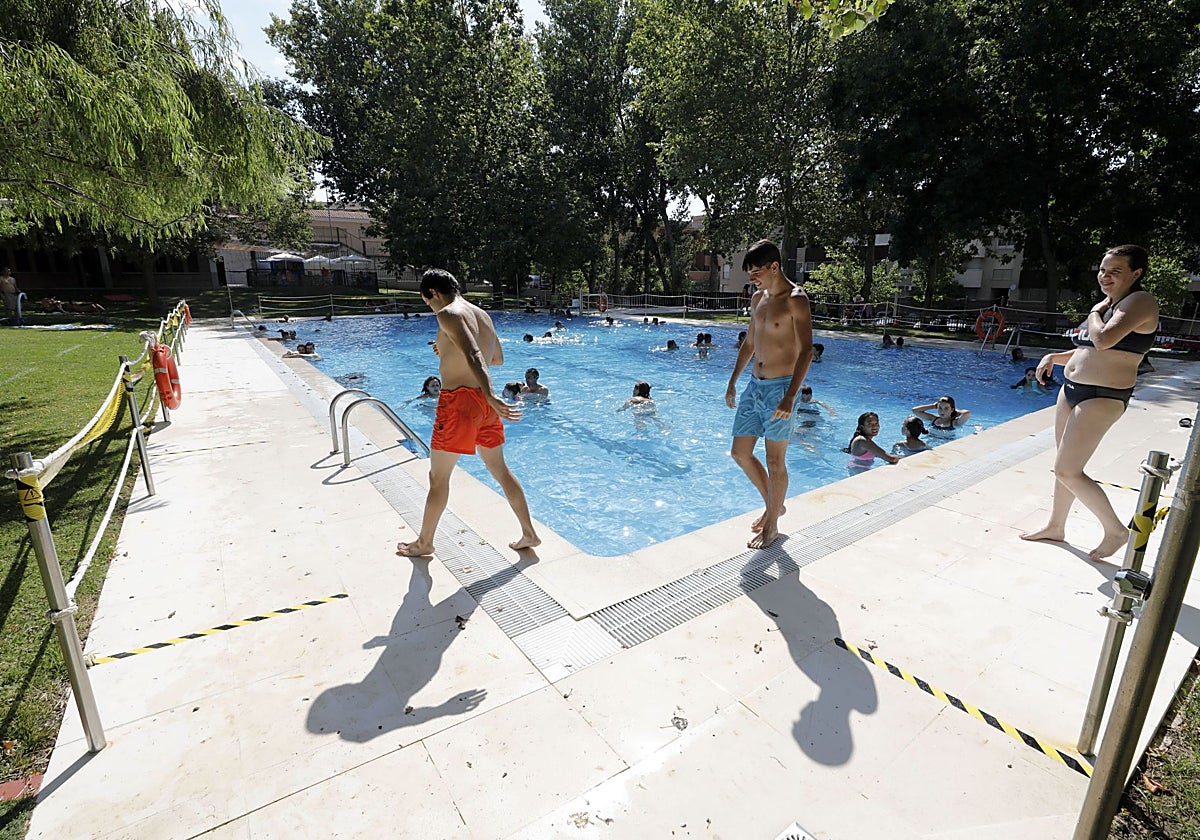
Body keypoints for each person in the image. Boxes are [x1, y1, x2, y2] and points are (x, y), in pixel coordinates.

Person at [1021, 244, 1160, 561]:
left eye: (1115, 271)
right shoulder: (1110, 305)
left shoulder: (1140, 301)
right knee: (1062, 467)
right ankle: (1056, 526)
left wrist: (1095, 312)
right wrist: (1056, 357)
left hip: (1102, 396)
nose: (1105, 276)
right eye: (1103, 270)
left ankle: (1115, 531)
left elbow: (1103, 339)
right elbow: (1089, 349)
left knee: (1067, 470)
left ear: (1136, 274)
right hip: (1071, 390)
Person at [396, 269, 540, 557]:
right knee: (500, 470)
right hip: (484, 406)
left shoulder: (447, 313)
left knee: (438, 478)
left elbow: (474, 355)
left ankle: (424, 542)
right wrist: (449, 353)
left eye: (428, 303)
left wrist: (489, 393)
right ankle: (528, 532)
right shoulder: (482, 315)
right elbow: (495, 359)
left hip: (459, 403)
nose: (431, 309)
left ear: (434, 293)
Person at [725, 239, 814, 549]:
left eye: (755, 272)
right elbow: (750, 343)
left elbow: (806, 351)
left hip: (780, 389)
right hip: (754, 385)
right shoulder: (758, 300)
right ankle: (774, 504)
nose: (752, 278)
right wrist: (733, 380)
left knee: (775, 462)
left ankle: (772, 523)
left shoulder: (795, 300)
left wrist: (791, 396)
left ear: (774, 266)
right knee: (740, 452)